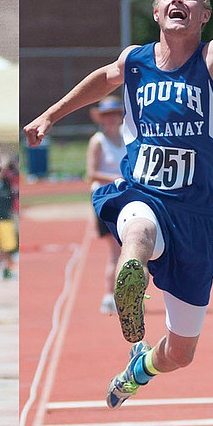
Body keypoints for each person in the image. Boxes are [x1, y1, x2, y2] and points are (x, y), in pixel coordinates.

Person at [23, 0, 213, 410]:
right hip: (145, 195)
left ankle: (138, 368)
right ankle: (133, 273)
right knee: (138, 228)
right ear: (157, 9)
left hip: (200, 218)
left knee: (181, 353)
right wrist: (50, 116)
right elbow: (104, 79)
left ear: (203, 14)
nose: (178, 1)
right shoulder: (136, 61)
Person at [85, 96, 127, 314]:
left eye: (115, 114)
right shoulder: (98, 141)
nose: (112, 119)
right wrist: (116, 179)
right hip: (105, 199)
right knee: (116, 251)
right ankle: (109, 295)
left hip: (124, 198)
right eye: (107, 116)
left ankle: (122, 295)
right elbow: (91, 173)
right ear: (101, 119)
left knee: (129, 249)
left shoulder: (126, 138)